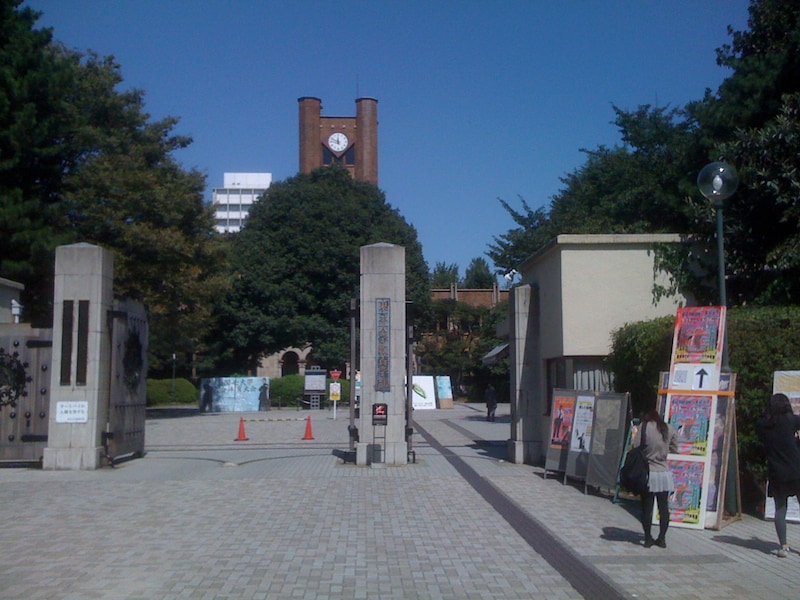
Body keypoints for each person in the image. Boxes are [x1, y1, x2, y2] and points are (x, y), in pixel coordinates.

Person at [757, 393, 800, 558]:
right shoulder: (790, 420)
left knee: (780, 509)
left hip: (777, 472)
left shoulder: (762, 425)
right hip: (796, 470)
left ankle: (783, 546)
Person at [633, 407, 678, 548]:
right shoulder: (669, 428)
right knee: (663, 507)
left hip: (648, 472)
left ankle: (647, 538)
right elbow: (675, 448)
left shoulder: (644, 427)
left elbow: (635, 446)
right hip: (664, 473)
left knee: (647, 507)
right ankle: (662, 538)